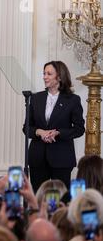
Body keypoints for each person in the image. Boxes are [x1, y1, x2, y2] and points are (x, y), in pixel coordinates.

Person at [24, 61, 85, 192]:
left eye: (49, 74)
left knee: (60, 201)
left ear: (60, 77)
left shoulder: (72, 100)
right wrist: (40, 132)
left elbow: (79, 129)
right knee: (39, 200)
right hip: (37, 158)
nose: (44, 77)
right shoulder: (35, 98)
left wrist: (58, 133)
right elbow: (26, 128)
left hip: (61, 158)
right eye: (44, 73)